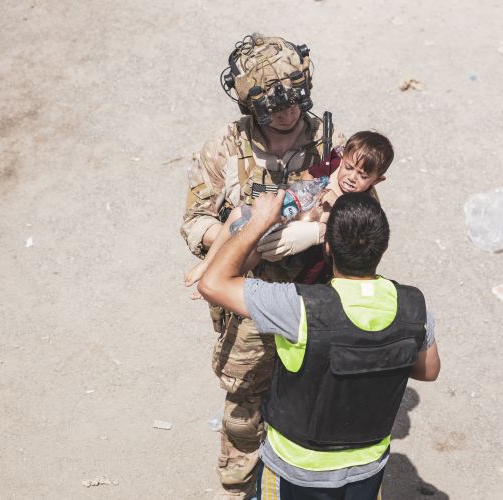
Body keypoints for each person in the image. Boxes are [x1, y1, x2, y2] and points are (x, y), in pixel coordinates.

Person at [180, 33, 343, 499]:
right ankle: (238, 487)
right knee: (243, 408)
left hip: (314, 298)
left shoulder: (330, 140)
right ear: (251, 103)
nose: (289, 114)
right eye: (275, 106)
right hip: (246, 300)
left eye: (295, 101)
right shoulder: (225, 148)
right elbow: (194, 221)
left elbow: (363, 220)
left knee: (311, 399)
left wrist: (316, 232)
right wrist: (240, 236)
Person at [198, 192, 441, 499]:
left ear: (327, 248)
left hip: (297, 469)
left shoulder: (298, 306)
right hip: (367, 466)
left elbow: (211, 284)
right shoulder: (413, 308)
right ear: (383, 247)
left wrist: (258, 222)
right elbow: (429, 370)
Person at [184, 131, 393, 292]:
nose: (351, 177)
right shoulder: (334, 163)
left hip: (308, 264)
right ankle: (207, 265)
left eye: (363, 176)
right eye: (349, 167)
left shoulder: (361, 204)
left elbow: (351, 237)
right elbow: (309, 175)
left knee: (258, 246)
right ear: (343, 156)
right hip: (292, 212)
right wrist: (305, 191)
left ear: (377, 180)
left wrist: (327, 215)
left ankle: (221, 281)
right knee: (238, 215)